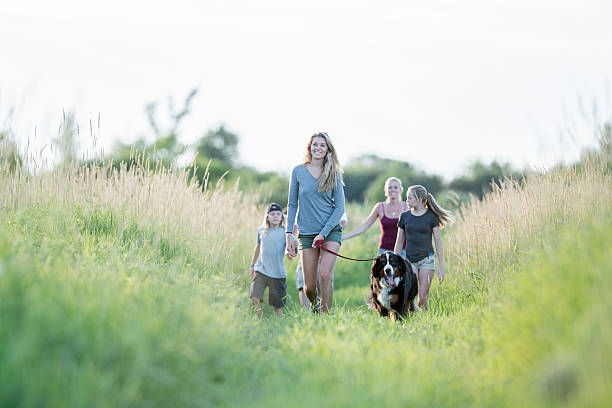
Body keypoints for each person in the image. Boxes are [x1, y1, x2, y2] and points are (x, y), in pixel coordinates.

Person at [286, 132, 345, 313]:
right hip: (307, 233)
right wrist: (289, 233)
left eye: (322, 145)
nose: (318, 148)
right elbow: (292, 204)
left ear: (328, 149)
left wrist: (324, 233)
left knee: (325, 275)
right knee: (309, 287)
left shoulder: (334, 173)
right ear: (309, 147)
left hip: (330, 231)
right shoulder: (298, 171)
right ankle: (317, 308)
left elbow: (339, 208)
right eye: (315, 144)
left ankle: (326, 317)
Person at [394, 185, 452, 310]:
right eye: (407, 198)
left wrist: (441, 266)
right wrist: (395, 263)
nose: (407, 201)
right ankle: (410, 321)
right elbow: (399, 242)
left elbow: (438, 242)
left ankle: (424, 321)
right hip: (409, 261)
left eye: (409, 198)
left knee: (422, 298)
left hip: (427, 260)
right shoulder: (404, 216)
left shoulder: (431, 217)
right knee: (410, 295)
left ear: (419, 199)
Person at [294, 212, 348, 309]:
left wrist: (324, 233)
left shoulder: (333, 201)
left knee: (325, 278)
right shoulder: (304, 201)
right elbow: (295, 226)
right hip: (307, 245)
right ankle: (309, 311)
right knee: (306, 284)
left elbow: (342, 223)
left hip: (326, 245)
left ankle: (324, 314)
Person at [342, 177, 407, 257]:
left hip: (404, 252)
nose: (392, 189)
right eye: (389, 187)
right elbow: (363, 227)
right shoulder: (380, 207)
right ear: (386, 191)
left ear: (400, 190)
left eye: (395, 187)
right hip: (384, 252)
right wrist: (343, 237)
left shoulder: (407, 207)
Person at [249, 203, 289, 318]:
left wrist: (291, 253)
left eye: (278, 214)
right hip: (261, 270)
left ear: (282, 217)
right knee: (255, 296)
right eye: (272, 214)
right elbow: (257, 247)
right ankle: (257, 321)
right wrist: (252, 266)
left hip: (277, 273)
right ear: (267, 217)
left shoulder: (285, 232)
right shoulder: (261, 230)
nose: (275, 216)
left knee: (277, 305)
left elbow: (291, 248)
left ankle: (278, 324)